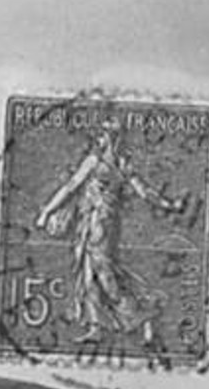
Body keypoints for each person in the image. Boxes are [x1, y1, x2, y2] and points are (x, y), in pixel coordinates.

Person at [35, 124, 187, 347]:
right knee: (89, 276)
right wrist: (169, 205)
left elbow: (70, 187)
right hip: (93, 223)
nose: (98, 139)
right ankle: (96, 327)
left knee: (107, 278)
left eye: (102, 135)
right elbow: (143, 192)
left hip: (99, 225)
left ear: (110, 138)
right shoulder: (119, 163)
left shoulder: (100, 162)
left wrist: (47, 211)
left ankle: (144, 316)